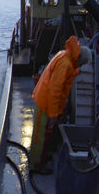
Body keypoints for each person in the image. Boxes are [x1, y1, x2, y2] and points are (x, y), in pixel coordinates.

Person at [29, 35, 91, 171]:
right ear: (80, 59)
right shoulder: (66, 64)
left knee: (44, 135)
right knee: (39, 137)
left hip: (47, 101)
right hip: (45, 101)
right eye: (82, 64)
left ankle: (41, 159)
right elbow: (54, 91)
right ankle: (35, 165)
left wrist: (59, 108)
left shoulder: (65, 55)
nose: (81, 67)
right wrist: (52, 115)